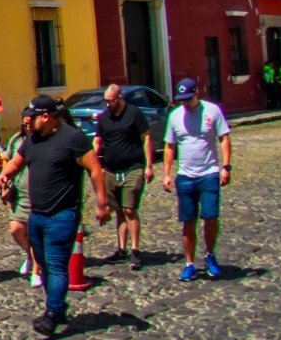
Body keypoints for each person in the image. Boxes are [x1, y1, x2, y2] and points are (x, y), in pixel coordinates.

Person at [0, 93, 110, 340]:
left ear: (46, 117)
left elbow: (95, 170)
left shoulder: (72, 139)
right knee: (44, 265)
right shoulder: (32, 140)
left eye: (32, 117)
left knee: (56, 265)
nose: (27, 121)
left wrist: (102, 204)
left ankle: (53, 312)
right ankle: (56, 306)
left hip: (62, 214)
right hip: (37, 215)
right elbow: (16, 161)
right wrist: (4, 175)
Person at [162, 75, 232, 281]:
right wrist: (166, 174)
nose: (185, 103)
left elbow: (224, 138)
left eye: (188, 99)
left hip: (209, 173)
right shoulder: (175, 116)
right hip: (185, 176)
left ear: (196, 94)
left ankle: (210, 255)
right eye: (181, 100)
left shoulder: (212, 110)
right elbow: (169, 146)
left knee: (210, 216)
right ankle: (189, 263)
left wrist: (226, 167)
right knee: (188, 220)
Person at [93, 83, 155, 271]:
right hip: (111, 170)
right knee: (118, 210)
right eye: (105, 101)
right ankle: (121, 249)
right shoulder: (104, 118)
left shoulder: (134, 114)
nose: (108, 105)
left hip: (133, 168)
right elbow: (97, 142)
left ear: (120, 97)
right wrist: (94, 165)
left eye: (111, 101)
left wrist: (149, 165)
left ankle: (135, 250)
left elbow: (146, 138)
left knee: (129, 209)